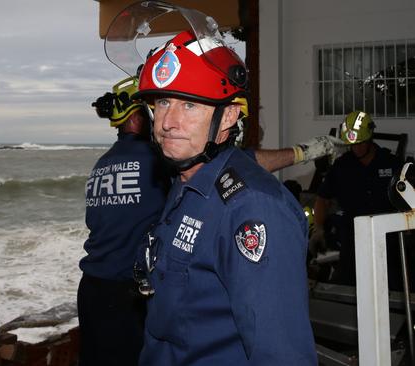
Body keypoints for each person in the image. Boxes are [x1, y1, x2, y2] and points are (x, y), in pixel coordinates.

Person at [131, 26, 316, 365]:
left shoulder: (252, 207)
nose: (168, 122)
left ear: (228, 116)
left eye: (189, 105)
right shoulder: (185, 183)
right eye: (163, 102)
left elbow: (280, 352)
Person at [77, 76, 169, 366]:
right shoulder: (156, 160)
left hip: (91, 290)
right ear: (141, 115)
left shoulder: (101, 164)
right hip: (128, 294)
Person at [311, 110, 402, 288]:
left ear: (370, 138)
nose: (356, 148)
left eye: (360, 143)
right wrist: (318, 228)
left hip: (388, 242)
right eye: (352, 144)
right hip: (352, 243)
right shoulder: (342, 166)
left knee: (392, 290)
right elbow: (322, 198)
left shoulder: (391, 163)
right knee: (349, 291)